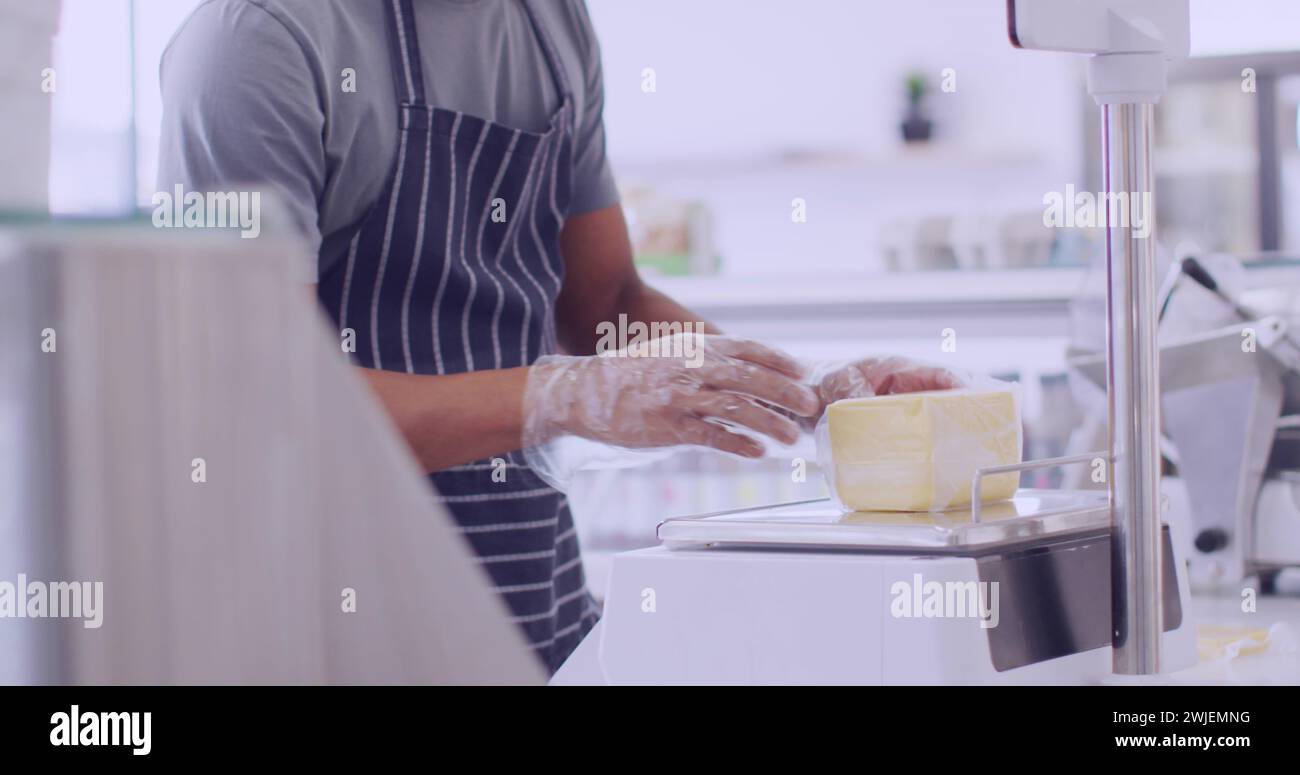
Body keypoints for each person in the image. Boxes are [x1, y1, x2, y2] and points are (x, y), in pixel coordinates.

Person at [157, 0, 959, 673]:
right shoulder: (256, 46)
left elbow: (605, 299)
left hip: (529, 609)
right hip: (327, 622)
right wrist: (559, 395)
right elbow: (257, 404)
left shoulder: (549, 22)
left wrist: (809, 389)